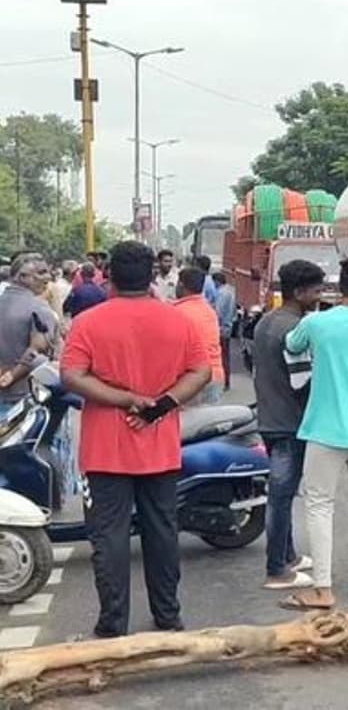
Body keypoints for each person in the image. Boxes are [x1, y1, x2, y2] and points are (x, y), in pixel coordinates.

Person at [60, 241, 211, 638]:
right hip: (160, 447)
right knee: (162, 532)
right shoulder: (177, 321)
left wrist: (125, 399)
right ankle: (168, 615)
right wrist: (160, 406)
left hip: (104, 451)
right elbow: (201, 372)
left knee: (108, 538)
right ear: (153, 276)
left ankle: (113, 624)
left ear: (109, 275)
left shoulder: (88, 322)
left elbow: (72, 375)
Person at [279, 257, 348, 611]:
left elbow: (292, 344)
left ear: (338, 286)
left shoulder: (317, 323)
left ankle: (323, 588)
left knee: (319, 505)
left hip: (324, 429)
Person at [255, 259, 327, 590]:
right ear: (299, 292)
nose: (320, 296)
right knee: (281, 497)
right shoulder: (296, 330)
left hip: (270, 418)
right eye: (316, 291)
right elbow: (303, 382)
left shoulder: (266, 322)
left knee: (281, 493)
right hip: (290, 423)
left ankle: (289, 555)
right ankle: (276, 570)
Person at [0, 254, 58, 411]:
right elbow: (36, 351)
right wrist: (13, 375)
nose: (48, 277)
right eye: (41, 272)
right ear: (23, 276)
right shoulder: (39, 309)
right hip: (21, 399)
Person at [173, 268, 226, 405]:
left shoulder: (176, 312)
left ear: (181, 285)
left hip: (191, 380)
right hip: (215, 375)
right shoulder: (209, 311)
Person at [212, 272, 236, 390]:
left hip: (221, 328)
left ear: (217, 281)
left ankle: (223, 381)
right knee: (226, 356)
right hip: (228, 327)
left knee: (220, 356)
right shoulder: (231, 291)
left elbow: (218, 312)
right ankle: (227, 381)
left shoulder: (221, 293)